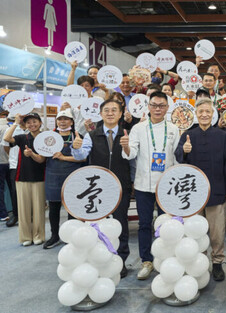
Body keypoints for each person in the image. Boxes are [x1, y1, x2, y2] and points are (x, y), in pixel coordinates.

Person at [175, 98, 226, 282]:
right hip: (192, 193)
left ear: (212, 114)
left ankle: (217, 262)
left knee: (217, 231)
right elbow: (178, 158)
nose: (204, 114)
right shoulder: (188, 135)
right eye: (200, 111)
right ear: (196, 113)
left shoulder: (221, 135)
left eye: (207, 111)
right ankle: (198, 262)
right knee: (195, 231)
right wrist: (184, 150)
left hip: (217, 190)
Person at [121, 91, 180, 279]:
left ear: (167, 108)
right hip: (143, 185)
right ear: (148, 107)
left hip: (167, 186)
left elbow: (178, 158)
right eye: (154, 105)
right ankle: (146, 261)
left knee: (167, 225)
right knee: (145, 224)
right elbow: (131, 154)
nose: (157, 109)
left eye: (161, 105)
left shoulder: (173, 128)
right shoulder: (139, 128)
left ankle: (165, 259)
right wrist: (125, 146)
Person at [72, 99, 131, 278]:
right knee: (97, 224)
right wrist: (76, 148)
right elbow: (82, 154)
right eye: (106, 110)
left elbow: (133, 159)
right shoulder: (92, 135)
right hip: (97, 187)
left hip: (121, 185)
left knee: (121, 222)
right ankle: (100, 259)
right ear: (101, 114)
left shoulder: (126, 134)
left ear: (121, 114)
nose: (110, 113)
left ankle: (120, 260)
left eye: (114, 110)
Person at [3, 113, 46, 246]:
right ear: (25, 124)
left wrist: (32, 154)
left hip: (40, 178)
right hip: (21, 177)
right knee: (23, 210)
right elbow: (6, 138)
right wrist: (15, 123)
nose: (31, 124)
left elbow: (42, 159)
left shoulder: (45, 138)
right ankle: (26, 236)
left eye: (34, 121)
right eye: (28, 122)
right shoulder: (22, 137)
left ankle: (38, 235)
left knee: (38, 209)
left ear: (40, 122)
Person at [43, 109, 84, 249]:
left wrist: (63, 157)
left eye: (66, 119)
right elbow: (42, 156)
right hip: (52, 176)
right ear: (56, 121)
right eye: (60, 119)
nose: (62, 121)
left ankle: (72, 235)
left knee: (72, 207)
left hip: (72, 176)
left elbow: (83, 158)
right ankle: (54, 236)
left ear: (71, 121)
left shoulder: (78, 136)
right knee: (53, 207)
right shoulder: (49, 136)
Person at [3, 114, 27, 227]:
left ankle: (29, 214)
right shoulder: (11, 129)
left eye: (25, 116)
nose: (22, 118)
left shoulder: (33, 128)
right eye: (20, 116)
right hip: (15, 165)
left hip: (32, 164)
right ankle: (16, 215)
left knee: (30, 190)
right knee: (15, 191)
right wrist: (13, 157)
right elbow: (6, 146)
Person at [0, 113, 10, 222]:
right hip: (11, 162)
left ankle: (3, 214)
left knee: (0, 189)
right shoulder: (9, 127)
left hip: (1, 161)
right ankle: (17, 212)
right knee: (13, 189)